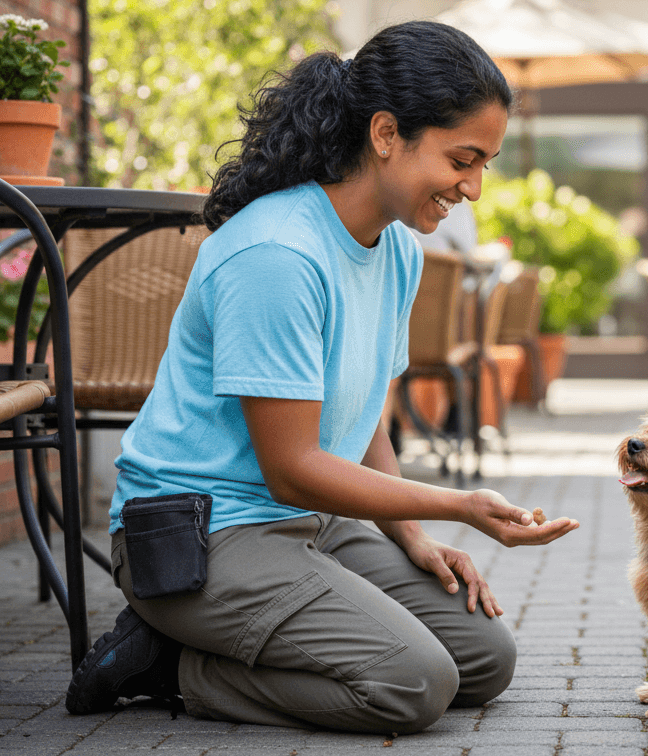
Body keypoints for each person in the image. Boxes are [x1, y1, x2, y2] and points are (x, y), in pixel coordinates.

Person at [64, 21, 579, 735]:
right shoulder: (277, 254)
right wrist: (456, 506)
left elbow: (363, 416)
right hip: (199, 535)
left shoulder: (397, 250)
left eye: (485, 164)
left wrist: (411, 536)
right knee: (414, 683)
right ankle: (165, 665)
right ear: (386, 134)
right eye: (462, 160)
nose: (474, 188)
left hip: (306, 523)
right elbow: (292, 469)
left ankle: (221, 647)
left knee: (484, 658)